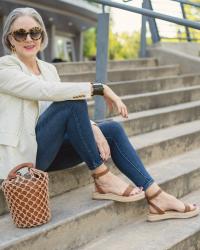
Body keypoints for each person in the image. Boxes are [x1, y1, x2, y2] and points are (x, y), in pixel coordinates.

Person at [0, 7, 199, 222]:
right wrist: (99, 88)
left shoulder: (48, 69)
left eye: (35, 32)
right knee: (71, 100)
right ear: (10, 40)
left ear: (42, 35)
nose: (29, 38)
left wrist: (92, 127)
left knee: (111, 129)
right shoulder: (5, 69)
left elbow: (53, 111)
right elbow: (47, 92)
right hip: (26, 161)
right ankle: (101, 177)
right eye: (20, 33)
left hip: (50, 148)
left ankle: (157, 197)